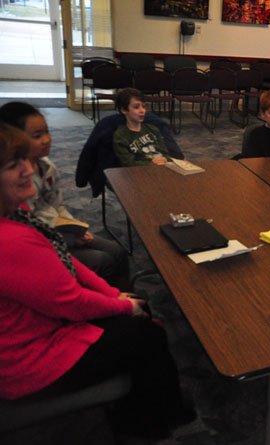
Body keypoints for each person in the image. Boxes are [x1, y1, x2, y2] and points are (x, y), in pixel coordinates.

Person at [0, 123, 194, 439]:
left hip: (40, 327)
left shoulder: (15, 213)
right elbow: (70, 302)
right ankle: (152, 419)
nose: (27, 169)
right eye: (12, 166)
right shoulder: (11, 241)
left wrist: (113, 295)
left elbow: (64, 261)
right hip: (27, 362)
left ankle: (154, 402)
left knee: (137, 312)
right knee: (146, 335)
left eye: (25, 159)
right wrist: (121, 307)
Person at [0, 101, 130, 290]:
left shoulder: (47, 166)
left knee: (117, 250)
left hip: (59, 231)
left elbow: (57, 205)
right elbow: (31, 225)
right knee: (103, 260)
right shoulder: (14, 181)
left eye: (47, 132)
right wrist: (68, 238)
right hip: (41, 242)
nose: (46, 140)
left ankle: (130, 301)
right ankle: (111, 306)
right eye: (37, 136)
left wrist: (76, 230)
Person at [113, 88, 169, 167]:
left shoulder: (153, 129)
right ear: (124, 110)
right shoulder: (121, 135)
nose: (142, 110)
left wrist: (164, 159)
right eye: (136, 107)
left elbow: (165, 153)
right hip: (139, 173)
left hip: (161, 167)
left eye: (143, 106)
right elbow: (128, 163)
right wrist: (151, 164)